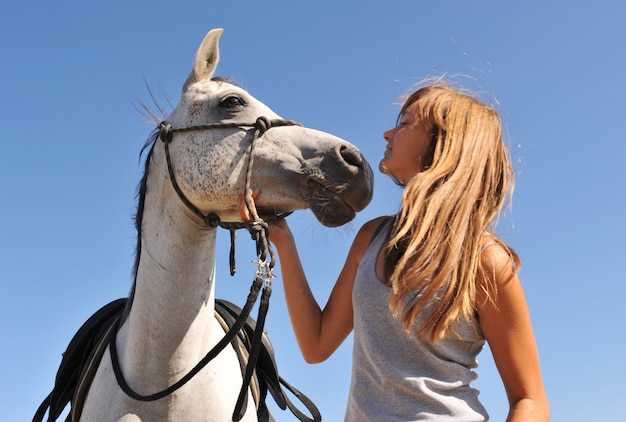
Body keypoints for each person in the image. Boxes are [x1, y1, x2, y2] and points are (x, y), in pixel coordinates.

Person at [240, 83, 549, 421]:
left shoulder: (487, 261)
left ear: (444, 143)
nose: (388, 133)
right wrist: (283, 242)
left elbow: (529, 399)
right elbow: (316, 345)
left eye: (404, 124)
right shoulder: (372, 238)